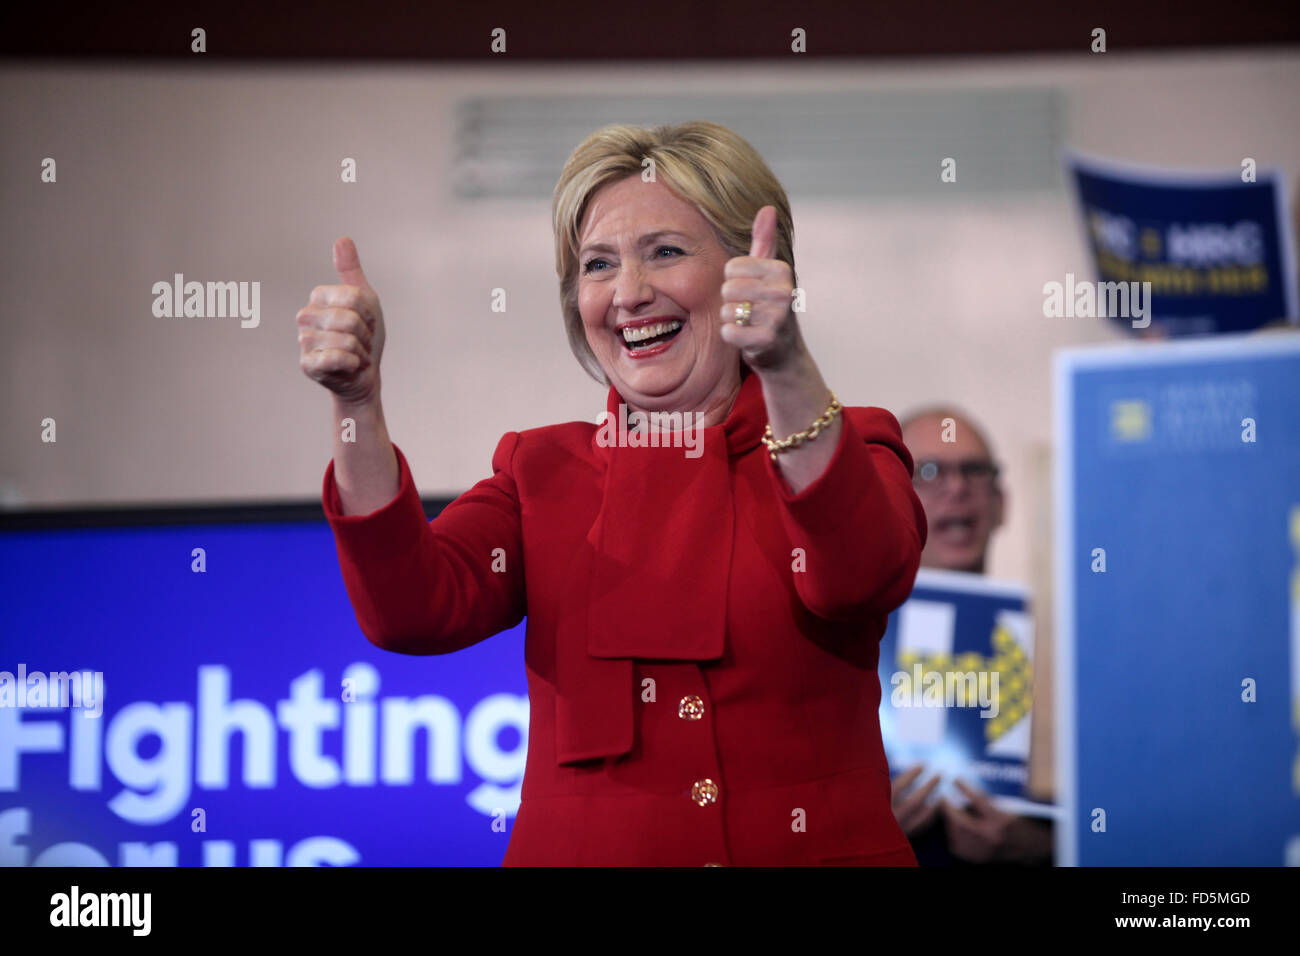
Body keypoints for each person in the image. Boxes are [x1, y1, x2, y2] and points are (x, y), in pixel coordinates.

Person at [296, 121, 928, 866]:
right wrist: (357, 405)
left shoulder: (853, 442)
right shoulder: (539, 471)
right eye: (598, 264)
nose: (629, 293)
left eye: (666, 252)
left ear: (753, 272)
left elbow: (859, 577)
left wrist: (787, 366)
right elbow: (410, 610)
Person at [888, 407, 1053, 865]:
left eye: (974, 471)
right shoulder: (841, 652)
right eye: (929, 472)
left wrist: (1039, 849)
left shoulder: (1061, 655)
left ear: (1002, 504)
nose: (957, 488)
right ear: (888, 501)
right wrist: (867, 834)